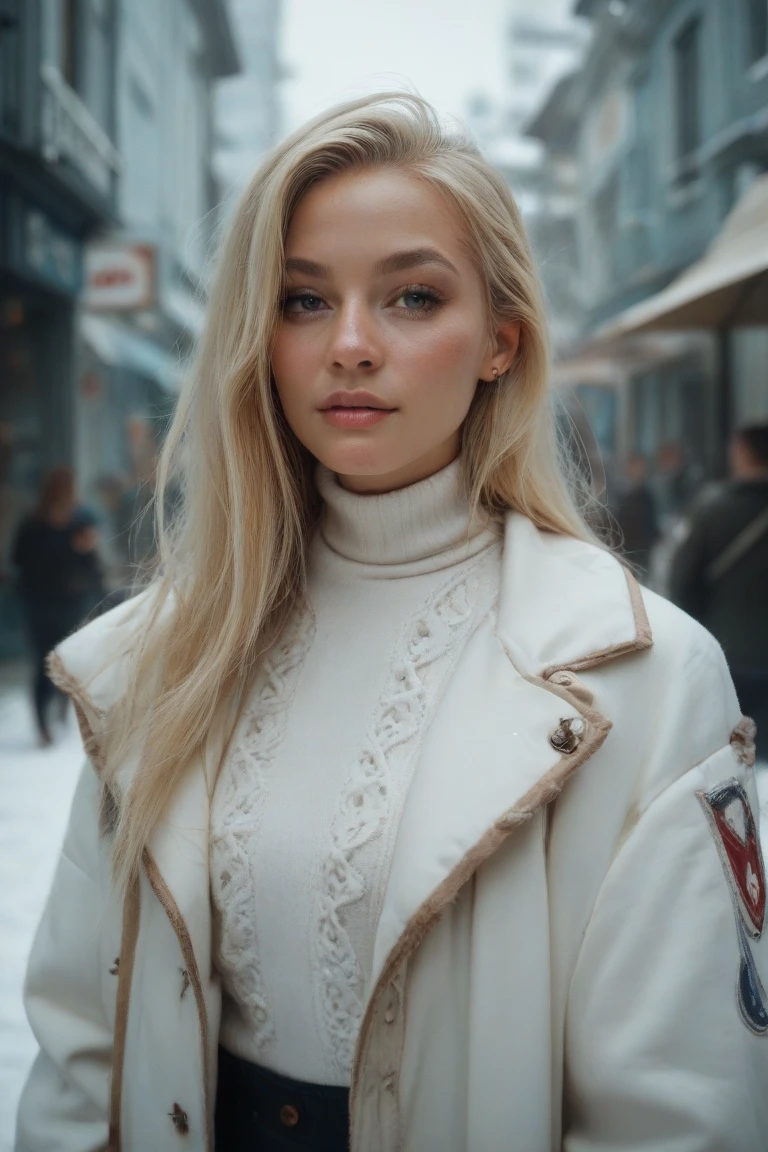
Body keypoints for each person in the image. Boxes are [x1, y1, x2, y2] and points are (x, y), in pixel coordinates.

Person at [16, 96, 768, 1152]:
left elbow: (678, 1113)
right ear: (258, 338)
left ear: (501, 342)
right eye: (303, 300)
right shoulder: (158, 656)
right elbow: (79, 1047)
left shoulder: (642, 675)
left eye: (413, 297)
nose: (352, 345)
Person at [671, 424, 768, 760]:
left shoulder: (711, 510)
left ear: (742, 453)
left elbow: (682, 582)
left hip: (729, 654)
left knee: (736, 760)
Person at [11, 466, 103, 745]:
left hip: (64, 602)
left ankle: (59, 710)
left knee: (62, 660)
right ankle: (44, 725)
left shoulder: (78, 523)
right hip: (41, 603)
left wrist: (86, 551)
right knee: (45, 663)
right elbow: (18, 559)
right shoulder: (33, 523)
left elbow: (91, 567)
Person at [610, 453, 660, 580]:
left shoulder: (648, 496)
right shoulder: (621, 494)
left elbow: (652, 522)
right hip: (626, 548)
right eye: (633, 467)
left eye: (639, 467)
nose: (636, 471)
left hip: (643, 549)